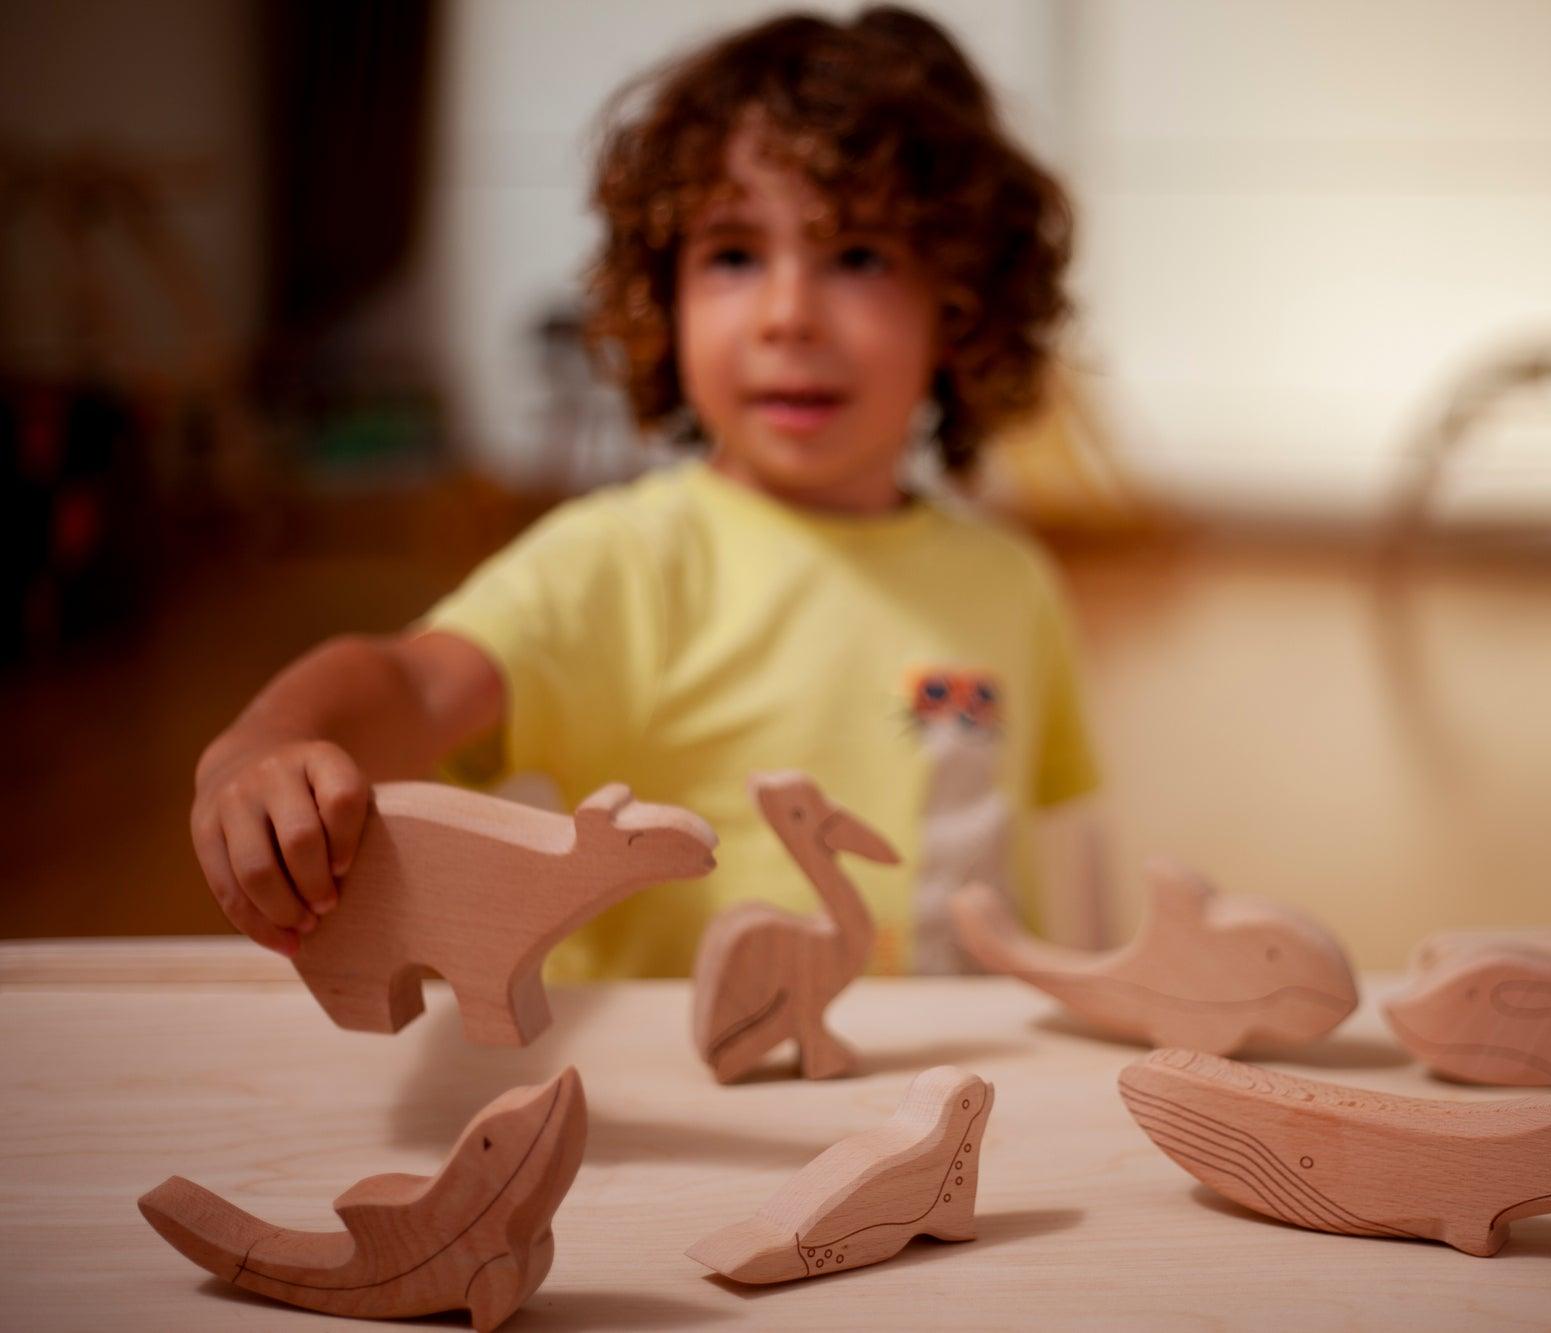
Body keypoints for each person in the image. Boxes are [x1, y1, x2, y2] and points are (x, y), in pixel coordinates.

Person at [188, 7, 1103, 979]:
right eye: (734, 254)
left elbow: (1057, 858)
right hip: (683, 1113)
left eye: (859, 256)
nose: (787, 315)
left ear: (959, 304)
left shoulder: (1012, 580)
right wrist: (270, 744)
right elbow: (414, 682)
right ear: (663, 296)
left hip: (946, 1096)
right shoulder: (622, 559)